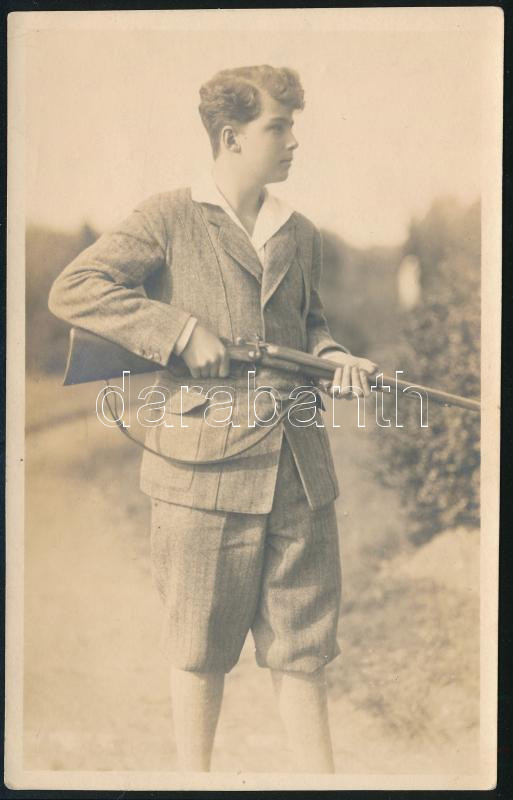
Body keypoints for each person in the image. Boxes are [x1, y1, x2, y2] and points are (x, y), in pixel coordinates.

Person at [48, 65, 378, 773]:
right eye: (278, 127)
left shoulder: (301, 231)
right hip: (199, 473)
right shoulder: (168, 217)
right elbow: (74, 288)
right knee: (198, 649)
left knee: (303, 650)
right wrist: (176, 331)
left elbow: (309, 325)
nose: (294, 141)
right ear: (231, 137)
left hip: (298, 471)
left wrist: (335, 357)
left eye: (292, 126)